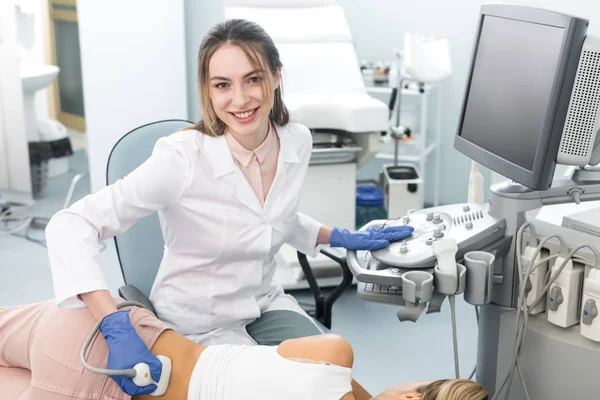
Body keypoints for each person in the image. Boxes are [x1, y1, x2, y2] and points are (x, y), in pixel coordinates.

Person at [44, 17, 414, 397]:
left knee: (336, 375)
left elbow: (273, 218)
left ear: (275, 77)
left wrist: (340, 237)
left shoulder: (296, 142)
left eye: (253, 79)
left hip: (264, 303)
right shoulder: (182, 159)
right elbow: (71, 223)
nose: (240, 100)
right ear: (208, 89)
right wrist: (112, 323)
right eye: (223, 85)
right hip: (198, 323)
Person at [0, 299, 488, 400]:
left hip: (111, 332)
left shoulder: (335, 353)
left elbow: (288, 357)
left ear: (410, 394)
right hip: (106, 387)